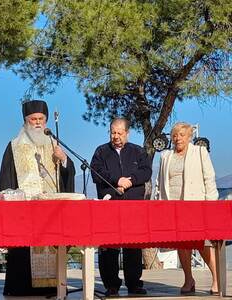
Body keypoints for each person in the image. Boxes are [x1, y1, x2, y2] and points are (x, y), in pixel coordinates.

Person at [0, 99, 76, 296]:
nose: (38, 123)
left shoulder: (54, 144)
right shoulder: (14, 146)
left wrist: (64, 159)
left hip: (50, 211)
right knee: (22, 253)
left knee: (51, 248)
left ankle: (51, 287)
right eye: (34, 119)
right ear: (26, 121)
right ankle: (20, 288)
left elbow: (69, 173)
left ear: (46, 121)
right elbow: (6, 179)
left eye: (41, 119)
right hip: (23, 211)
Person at [155, 122, 219, 295]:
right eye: (175, 135)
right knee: (182, 244)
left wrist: (211, 205)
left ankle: (216, 279)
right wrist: (160, 206)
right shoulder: (165, 156)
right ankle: (188, 279)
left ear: (189, 136)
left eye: (182, 135)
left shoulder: (199, 152)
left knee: (202, 244)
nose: (178, 138)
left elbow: (209, 179)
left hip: (196, 206)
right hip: (173, 206)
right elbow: (160, 184)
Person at [90, 117, 152, 297]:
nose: (116, 136)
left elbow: (146, 171)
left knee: (133, 246)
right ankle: (111, 285)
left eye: (119, 133)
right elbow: (96, 172)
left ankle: (134, 284)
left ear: (127, 133)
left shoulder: (138, 151)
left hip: (133, 206)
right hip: (109, 206)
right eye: (112, 132)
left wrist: (129, 181)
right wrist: (116, 180)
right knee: (109, 247)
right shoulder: (101, 151)